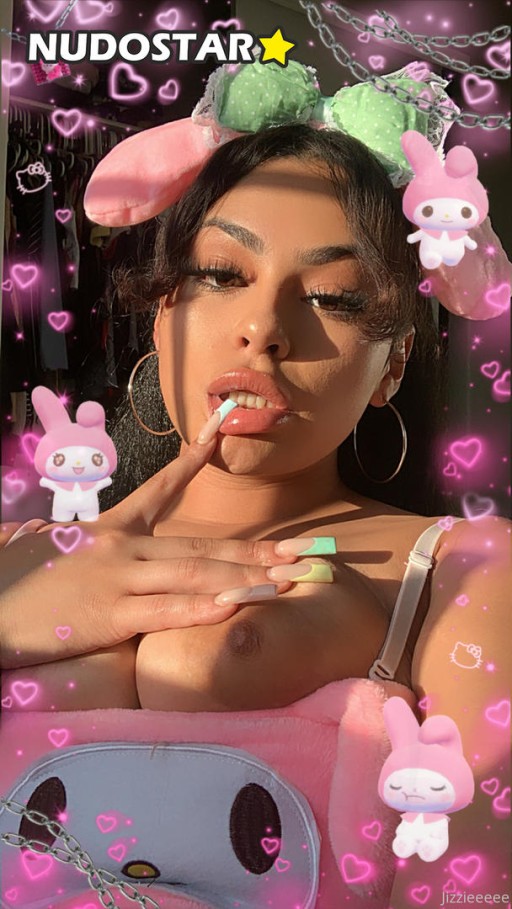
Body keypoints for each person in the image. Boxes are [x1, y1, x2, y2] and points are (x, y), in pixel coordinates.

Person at [0, 60, 510, 907]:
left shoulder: (467, 570)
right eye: (222, 275)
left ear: (393, 365)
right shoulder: (17, 551)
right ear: (162, 314)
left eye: (334, 296)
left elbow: (473, 887)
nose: (264, 328)